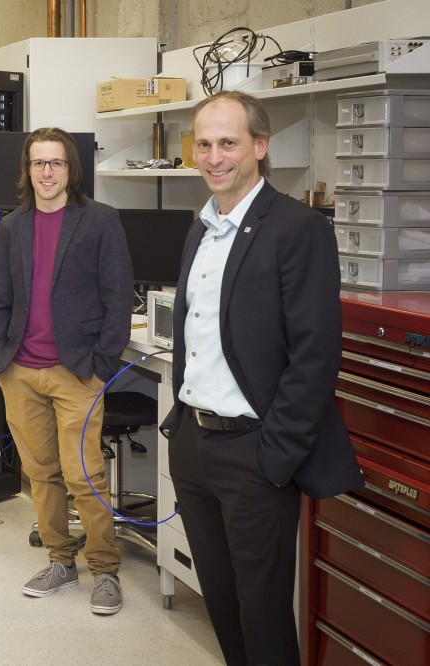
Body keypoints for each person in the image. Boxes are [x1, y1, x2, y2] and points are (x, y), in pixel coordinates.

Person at [160, 91, 362, 665]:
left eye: (229, 143)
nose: (214, 156)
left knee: (264, 613)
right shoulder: (200, 228)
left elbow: (315, 355)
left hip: (254, 452)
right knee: (221, 603)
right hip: (196, 446)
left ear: (260, 146)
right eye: (204, 144)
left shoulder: (297, 229)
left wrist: (276, 456)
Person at [0, 127, 134, 615]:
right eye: (38, 164)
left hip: (76, 371)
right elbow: (1, 298)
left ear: (72, 169)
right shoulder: (14, 226)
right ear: (27, 170)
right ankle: (60, 561)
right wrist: (0, 355)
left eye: (56, 163)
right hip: (21, 370)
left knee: (85, 475)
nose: (46, 172)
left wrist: (100, 366)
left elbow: (118, 299)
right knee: (41, 474)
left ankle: (105, 569)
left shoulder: (100, 222)